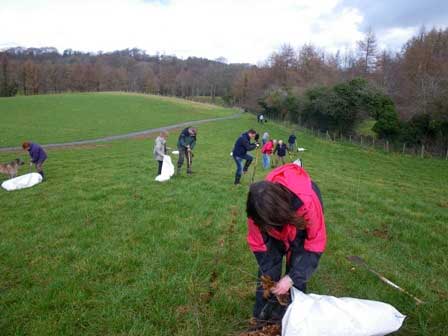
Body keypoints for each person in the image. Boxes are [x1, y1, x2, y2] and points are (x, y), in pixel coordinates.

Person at [246, 163, 326, 327]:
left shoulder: (308, 202)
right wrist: (268, 276)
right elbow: (259, 244)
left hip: (299, 228)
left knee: (296, 278)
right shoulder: (257, 206)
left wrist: (291, 278)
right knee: (267, 278)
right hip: (276, 229)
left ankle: (292, 322)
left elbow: (315, 244)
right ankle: (262, 323)